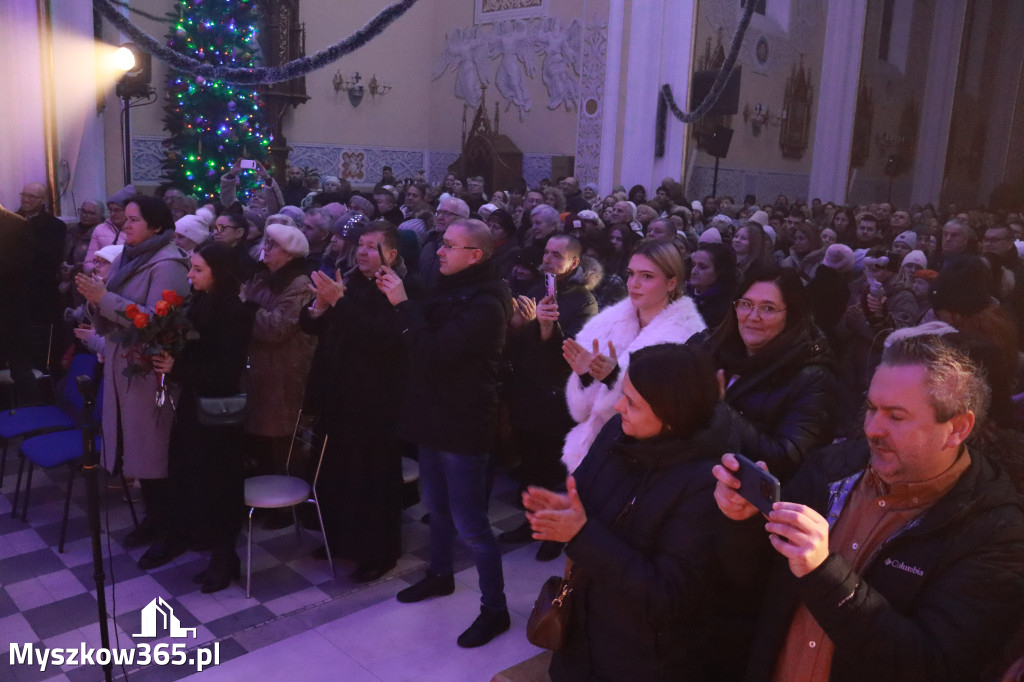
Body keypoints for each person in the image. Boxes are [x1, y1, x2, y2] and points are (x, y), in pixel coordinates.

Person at [712, 334, 1024, 681]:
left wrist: (823, 573)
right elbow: (754, 582)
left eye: (896, 416)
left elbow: (929, 665)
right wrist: (741, 521)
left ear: (956, 429)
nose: (872, 429)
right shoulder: (831, 468)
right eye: (872, 408)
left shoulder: (996, 535)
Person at [526, 344, 737, 681]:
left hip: (642, 660)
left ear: (672, 414)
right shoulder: (618, 431)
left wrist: (580, 534)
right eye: (624, 394)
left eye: (634, 403)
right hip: (581, 635)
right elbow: (582, 488)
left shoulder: (706, 483)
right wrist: (562, 506)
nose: (620, 406)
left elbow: (668, 595)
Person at [377, 218, 514, 648]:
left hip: (462, 421)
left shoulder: (487, 303)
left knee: (471, 522)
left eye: (449, 246)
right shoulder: (452, 287)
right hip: (434, 414)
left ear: (475, 255)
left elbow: (435, 351)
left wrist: (400, 304)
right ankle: (439, 574)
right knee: (437, 507)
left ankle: (495, 609)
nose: (439, 250)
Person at [74, 195, 191, 567]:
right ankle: (154, 520)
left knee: (155, 455)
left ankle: (174, 531)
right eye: (126, 219)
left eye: (135, 220)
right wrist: (95, 301)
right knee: (136, 453)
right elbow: (112, 307)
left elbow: (158, 322)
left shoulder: (169, 263)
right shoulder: (127, 254)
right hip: (122, 367)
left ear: (156, 225)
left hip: (148, 372)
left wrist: (104, 298)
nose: (126, 225)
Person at [298, 221, 409, 581]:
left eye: (371, 246)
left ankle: (378, 552)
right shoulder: (349, 279)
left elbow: (381, 336)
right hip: (337, 395)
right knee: (336, 474)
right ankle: (340, 539)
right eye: (359, 244)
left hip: (373, 401)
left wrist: (339, 302)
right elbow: (315, 327)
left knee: (371, 480)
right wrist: (317, 306)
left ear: (390, 255)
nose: (361, 251)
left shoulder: (400, 289)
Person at [151, 242, 253, 592]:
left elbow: (226, 370)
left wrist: (178, 366)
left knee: (219, 484)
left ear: (218, 273)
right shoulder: (199, 302)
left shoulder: (232, 311)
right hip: (196, 407)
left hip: (218, 414)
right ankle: (215, 551)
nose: (190, 275)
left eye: (197, 269)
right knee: (197, 480)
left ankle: (224, 557)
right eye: (190, 268)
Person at [561, 239, 706, 472]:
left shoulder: (685, 337)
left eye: (647, 276)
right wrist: (586, 376)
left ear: (671, 282)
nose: (634, 284)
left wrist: (614, 379)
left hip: (639, 461)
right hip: (591, 453)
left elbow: (663, 415)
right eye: (631, 274)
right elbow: (582, 410)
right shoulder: (609, 322)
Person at [501, 234, 599, 561]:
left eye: (558, 255)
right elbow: (518, 340)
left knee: (554, 468)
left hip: (557, 397)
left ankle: (555, 534)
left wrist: (545, 329)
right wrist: (516, 325)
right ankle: (530, 523)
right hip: (527, 391)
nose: (549, 259)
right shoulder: (535, 289)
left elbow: (576, 351)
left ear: (573, 263)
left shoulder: (584, 301)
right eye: (547, 253)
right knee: (530, 465)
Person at [693, 267, 838, 483]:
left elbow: (786, 461)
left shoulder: (813, 378)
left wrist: (720, 409)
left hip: (740, 500)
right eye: (746, 304)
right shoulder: (710, 346)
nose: (753, 317)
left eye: (768, 308)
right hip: (688, 475)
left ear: (792, 314)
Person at [240, 223, 316, 488]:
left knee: (283, 441)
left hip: (284, 373)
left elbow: (277, 328)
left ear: (290, 254)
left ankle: (288, 503)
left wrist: (246, 307)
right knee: (260, 440)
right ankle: (264, 495)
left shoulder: (300, 284)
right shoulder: (261, 277)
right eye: (266, 242)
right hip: (259, 372)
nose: (265, 249)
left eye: (273, 245)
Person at [687, 242, 738, 329]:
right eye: (693, 265)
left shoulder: (725, 309)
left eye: (702, 267)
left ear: (720, 271)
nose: (694, 271)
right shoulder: (682, 294)